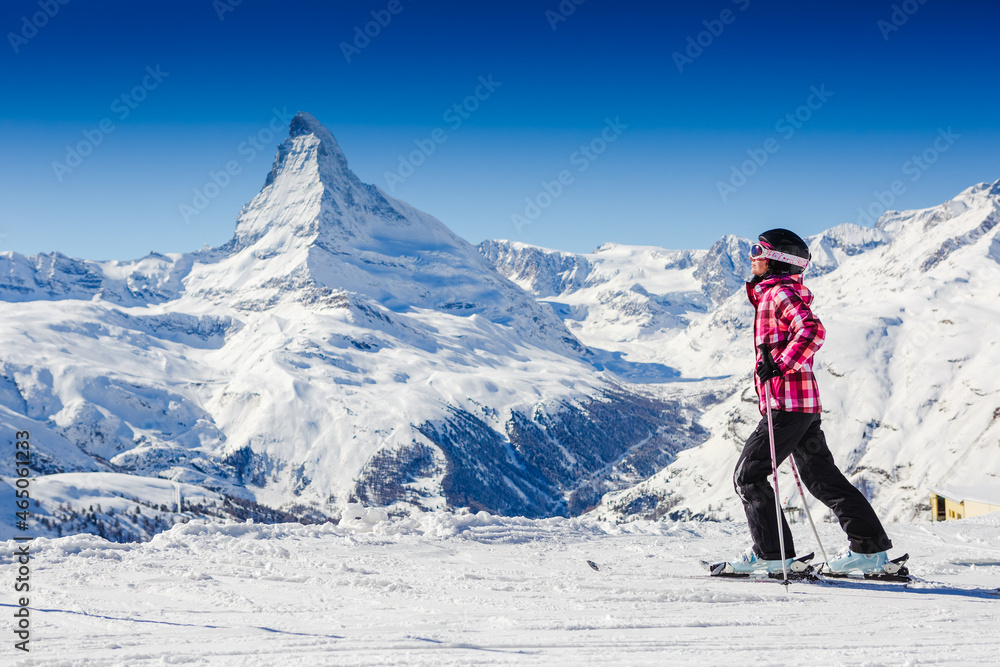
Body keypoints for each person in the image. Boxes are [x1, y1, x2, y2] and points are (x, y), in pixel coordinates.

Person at [724, 228, 894, 575]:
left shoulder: (779, 293)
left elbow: (813, 331)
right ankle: (869, 551)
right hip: (800, 405)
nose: (752, 254)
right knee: (823, 479)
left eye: (759, 249)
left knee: (749, 476)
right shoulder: (774, 293)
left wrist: (780, 363)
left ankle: (774, 555)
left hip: (787, 405)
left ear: (777, 259)